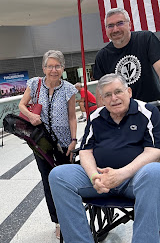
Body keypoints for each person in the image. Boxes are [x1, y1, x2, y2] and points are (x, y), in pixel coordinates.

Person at [49, 73, 160, 243]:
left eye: (118, 92)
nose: (113, 98)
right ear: (101, 98)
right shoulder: (96, 117)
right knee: (58, 175)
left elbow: (154, 150)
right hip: (99, 179)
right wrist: (94, 176)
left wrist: (121, 174)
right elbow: (86, 151)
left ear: (129, 92)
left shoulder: (147, 112)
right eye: (107, 95)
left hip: (134, 179)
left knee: (155, 171)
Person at [19, 50, 77, 239]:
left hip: (64, 143)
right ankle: (58, 221)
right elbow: (21, 105)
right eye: (50, 66)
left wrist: (74, 140)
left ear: (63, 68)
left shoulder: (68, 89)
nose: (54, 70)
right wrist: (31, 115)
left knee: (67, 181)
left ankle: (70, 217)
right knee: (49, 181)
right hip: (42, 142)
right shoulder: (34, 84)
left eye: (57, 66)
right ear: (44, 68)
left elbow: (72, 116)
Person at [93, 7, 160, 105]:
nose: (115, 29)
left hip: (154, 107)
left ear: (130, 25)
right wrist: (101, 115)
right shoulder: (102, 56)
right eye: (110, 26)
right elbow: (101, 89)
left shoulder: (146, 39)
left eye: (120, 23)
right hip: (123, 115)